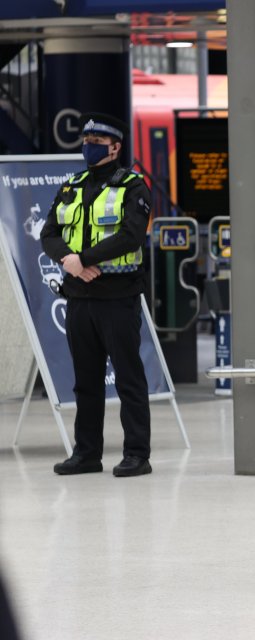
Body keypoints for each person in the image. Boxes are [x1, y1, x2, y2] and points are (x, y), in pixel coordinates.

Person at [40, 113, 153, 478]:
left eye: (97, 143)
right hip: (78, 298)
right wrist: (68, 262)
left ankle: (137, 454)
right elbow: (49, 232)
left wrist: (83, 259)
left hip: (118, 299)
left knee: (128, 378)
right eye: (86, 141)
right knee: (85, 381)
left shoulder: (134, 187)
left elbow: (131, 236)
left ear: (116, 147)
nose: (88, 147)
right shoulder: (72, 185)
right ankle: (87, 453)